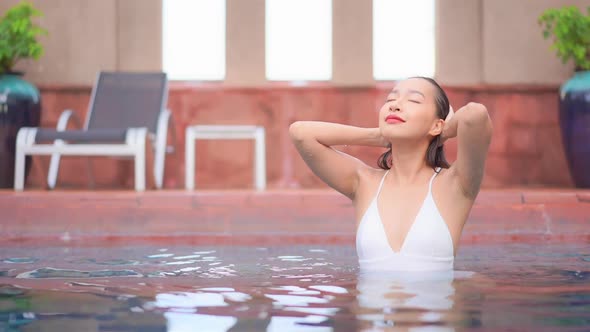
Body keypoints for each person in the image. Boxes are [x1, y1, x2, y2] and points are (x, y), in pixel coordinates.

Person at [289, 77, 493, 272]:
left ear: (437, 124)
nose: (395, 105)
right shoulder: (363, 183)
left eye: (414, 100)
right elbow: (300, 133)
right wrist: (378, 135)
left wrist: (442, 132)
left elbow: (474, 115)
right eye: (391, 99)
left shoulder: (454, 185)